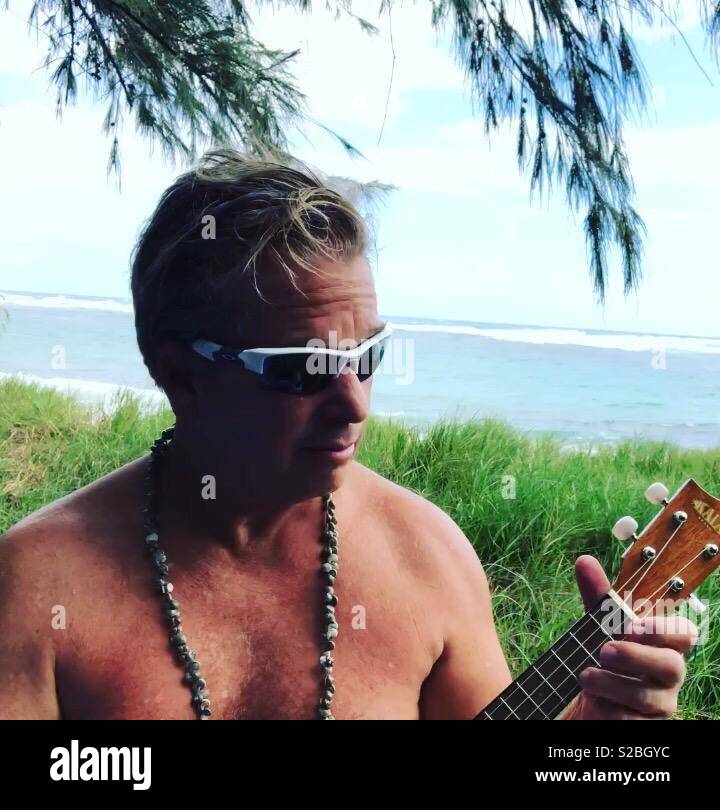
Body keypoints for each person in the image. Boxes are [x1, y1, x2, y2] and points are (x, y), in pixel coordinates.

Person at [0, 148, 695, 719]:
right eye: (307, 369)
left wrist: (600, 729)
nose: (355, 403)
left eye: (368, 356)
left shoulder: (428, 559)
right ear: (180, 373)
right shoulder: (36, 589)